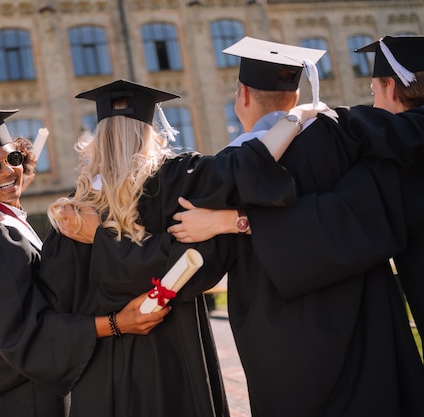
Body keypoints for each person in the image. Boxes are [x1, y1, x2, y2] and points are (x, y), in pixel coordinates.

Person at [165, 35, 424, 416]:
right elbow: (350, 216)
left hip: (284, 347)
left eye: (373, 91)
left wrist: (227, 221)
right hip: (365, 328)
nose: (373, 105)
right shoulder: (352, 151)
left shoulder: (229, 172)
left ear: (243, 95)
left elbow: (346, 215)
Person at [38, 78, 326, 417]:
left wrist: (112, 317)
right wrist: (296, 117)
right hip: (174, 353)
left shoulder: (72, 213)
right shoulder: (180, 178)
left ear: (97, 138)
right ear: (151, 132)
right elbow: (242, 173)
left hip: (101, 368)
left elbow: (57, 302)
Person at [0, 109, 170, 417]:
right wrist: (117, 323)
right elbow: (24, 332)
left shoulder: (8, 222)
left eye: (13, 160)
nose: (7, 171)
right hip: (19, 398)